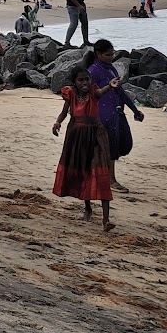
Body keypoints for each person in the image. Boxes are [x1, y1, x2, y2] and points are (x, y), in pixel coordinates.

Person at [52, 66, 117, 231]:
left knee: (101, 173)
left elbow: (101, 92)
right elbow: (64, 113)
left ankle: (106, 220)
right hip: (76, 137)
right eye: (80, 80)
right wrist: (57, 122)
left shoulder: (94, 93)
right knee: (84, 171)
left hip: (96, 136)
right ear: (74, 83)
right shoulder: (70, 95)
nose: (85, 83)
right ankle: (87, 206)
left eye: (87, 79)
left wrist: (110, 85)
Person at [86, 40, 143, 192]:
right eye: (107, 54)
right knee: (108, 147)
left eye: (112, 54)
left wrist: (135, 111)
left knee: (123, 144)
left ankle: (101, 176)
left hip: (116, 112)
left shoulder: (111, 69)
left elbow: (120, 92)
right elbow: (87, 93)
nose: (111, 57)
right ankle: (110, 180)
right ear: (98, 54)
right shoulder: (93, 71)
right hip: (101, 114)